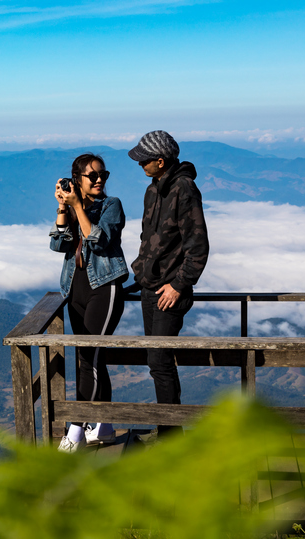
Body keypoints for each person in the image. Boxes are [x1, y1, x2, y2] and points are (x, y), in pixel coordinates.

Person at [127, 130, 209, 439]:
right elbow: (150, 240)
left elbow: (198, 245)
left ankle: (172, 436)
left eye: (144, 160)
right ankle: (169, 431)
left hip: (168, 292)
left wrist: (179, 285)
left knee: (160, 361)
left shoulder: (184, 190)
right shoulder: (154, 189)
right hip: (150, 288)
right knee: (156, 361)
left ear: (160, 161)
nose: (140, 165)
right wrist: (140, 274)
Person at [50, 153, 129, 453]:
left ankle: (75, 429)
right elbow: (59, 244)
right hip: (75, 290)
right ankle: (105, 426)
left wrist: (77, 208)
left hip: (104, 289)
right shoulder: (73, 207)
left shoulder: (112, 205)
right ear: (77, 180)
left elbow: (98, 239)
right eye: (92, 176)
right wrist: (62, 207)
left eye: (103, 175)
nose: (99, 180)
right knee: (93, 359)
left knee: (88, 358)